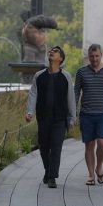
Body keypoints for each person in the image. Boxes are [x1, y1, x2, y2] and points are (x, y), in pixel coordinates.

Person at [26, 45, 76, 189]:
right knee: (43, 147)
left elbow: (70, 98)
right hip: (43, 118)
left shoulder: (66, 77)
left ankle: (52, 177)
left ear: (60, 59)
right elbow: (33, 94)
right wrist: (30, 112)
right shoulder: (39, 76)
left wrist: (72, 118)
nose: (52, 53)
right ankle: (48, 171)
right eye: (51, 51)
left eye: (55, 52)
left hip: (60, 119)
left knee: (56, 147)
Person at [74, 44, 103, 186]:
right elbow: (75, 93)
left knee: (102, 144)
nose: (94, 59)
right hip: (86, 114)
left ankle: (99, 167)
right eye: (92, 56)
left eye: (97, 56)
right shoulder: (81, 72)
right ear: (88, 57)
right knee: (89, 146)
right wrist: (73, 113)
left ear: (101, 56)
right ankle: (90, 175)